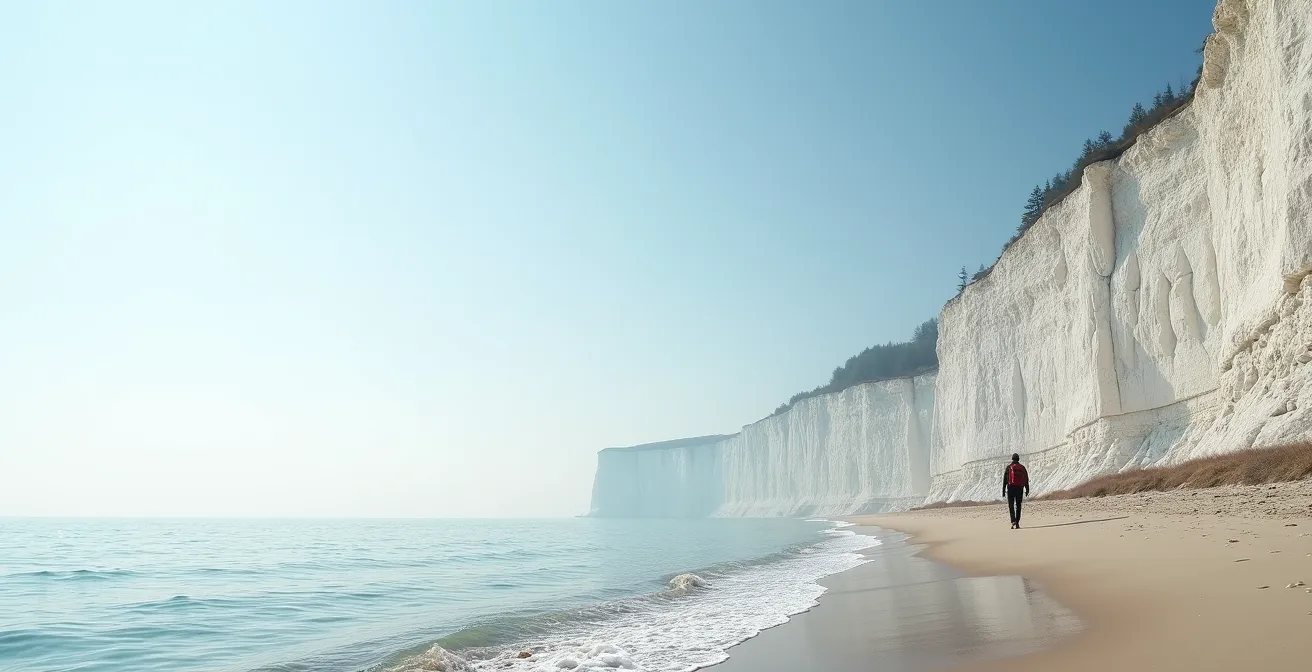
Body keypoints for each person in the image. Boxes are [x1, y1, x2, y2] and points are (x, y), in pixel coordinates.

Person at [1003, 453, 1029, 529]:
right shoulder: (1022, 467)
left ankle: (1013, 521)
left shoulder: (1008, 467)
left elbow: (1005, 480)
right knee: (1018, 505)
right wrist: (1027, 489)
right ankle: (1017, 523)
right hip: (1019, 488)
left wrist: (1003, 490)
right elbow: (1026, 479)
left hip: (1010, 488)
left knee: (1011, 505)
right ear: (1018, 459)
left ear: (1012, 459)